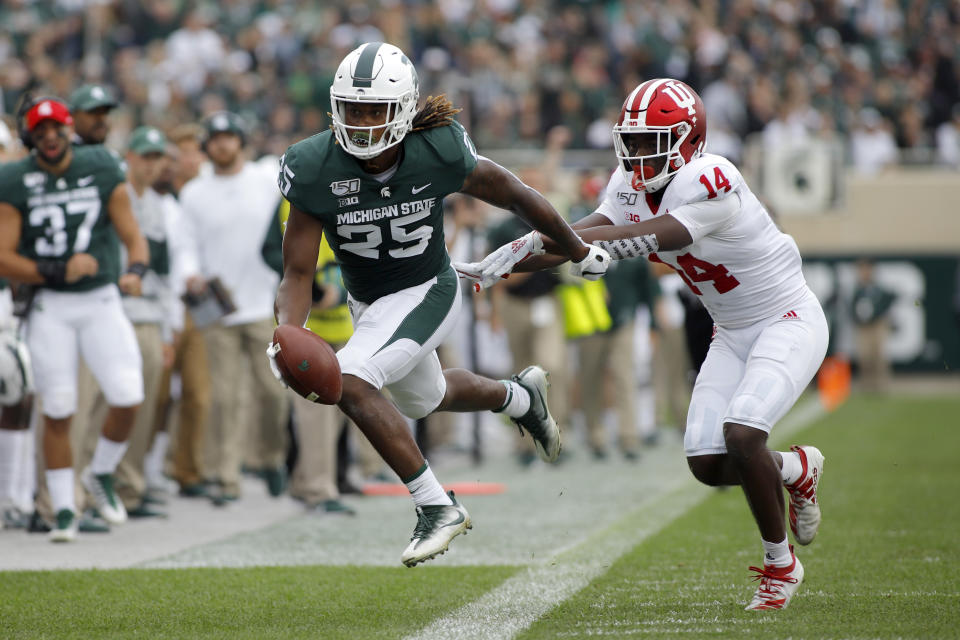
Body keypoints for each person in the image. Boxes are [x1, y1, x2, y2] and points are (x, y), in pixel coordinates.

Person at [462, 78, 828, 610]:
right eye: (631, 141)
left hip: (786, 319)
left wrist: (554, 240)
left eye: (650, 139)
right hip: (730, 331)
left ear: (686, 138)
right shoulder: (629, 183)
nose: (637, 153)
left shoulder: (712, 176)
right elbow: (579, 235)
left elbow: (662, 235)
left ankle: (781, 564)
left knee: (743, 434)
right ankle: (796, 468)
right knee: (706, 462)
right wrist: (509, 260)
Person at [271, 42, 609, 567]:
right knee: (424, 399)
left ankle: (437, 507)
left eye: (374, 110)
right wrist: (286, 332)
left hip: (428, 285)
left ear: (403, 109)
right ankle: (518, 398)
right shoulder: (313, 166)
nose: (360, 123)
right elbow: (297, 270)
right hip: (370, 300)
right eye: (352, 108)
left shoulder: (439, 149)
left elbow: (516, 194)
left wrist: (576, 246)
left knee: (353, 380)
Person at [0, 96, 149, 541]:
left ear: (69, 131)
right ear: (30, 138)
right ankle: (64, 509)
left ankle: (99, 473)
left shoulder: (101, 165)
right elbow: (3, 257)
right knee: (59, 406)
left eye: (56, 129)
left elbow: (132, 234)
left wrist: (136, 271)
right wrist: (54, 270)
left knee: (128, 394)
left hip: (100, 297)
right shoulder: (15, 179)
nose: (49, 137)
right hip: (52, 304)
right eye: (40, 131)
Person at [178, 111, 290, 505]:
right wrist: (189, 273)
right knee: (223, 398)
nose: (223, 144)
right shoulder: (194, 193)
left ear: (241, 141)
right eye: (216, 138)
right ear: (208, 144)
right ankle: (225, 477)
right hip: (219, 309)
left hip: (264, 302)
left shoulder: (264, 181)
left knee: (274, 393)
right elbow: (185, 244)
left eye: (230, 137)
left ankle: (271, 458)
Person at [850, 258, 895, 393]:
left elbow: (889, 300)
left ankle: (881, 386)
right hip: (864, 327)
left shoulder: (878, 289)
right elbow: (852, 308)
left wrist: (877, 313)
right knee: (865, 356)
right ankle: (866, 385)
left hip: (877, 325)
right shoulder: (858, 290)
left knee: (879, 356)